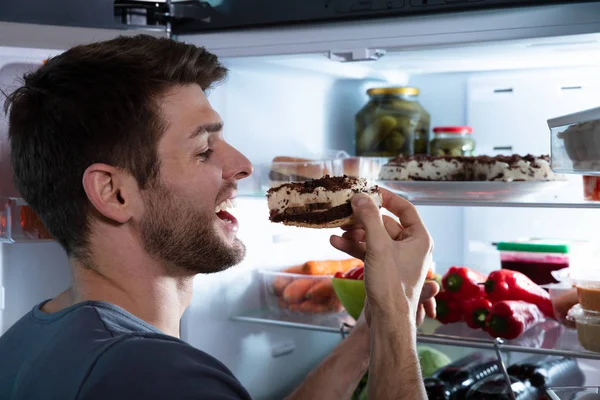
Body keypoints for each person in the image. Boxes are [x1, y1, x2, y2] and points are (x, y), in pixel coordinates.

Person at [0, 35, 437, 400]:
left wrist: (370, 335)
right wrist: (397, 317)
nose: (244, 165)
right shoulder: (160, 376)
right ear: (114, 193)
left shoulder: (27, 342)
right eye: (203, 149)